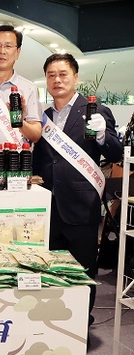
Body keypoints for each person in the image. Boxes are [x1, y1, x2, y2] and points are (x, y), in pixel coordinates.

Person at [34, 53, 122, 329]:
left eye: (63, 74)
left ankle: (81, 325)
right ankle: (52, 325)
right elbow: (42, 158)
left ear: (75, 77)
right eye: (51, 75)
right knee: (50, 270)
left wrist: (102, 136)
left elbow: (116, 153)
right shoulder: (43, 116)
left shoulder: (95, 111)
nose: (57, 80)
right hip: (48, 206)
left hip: (81, 206)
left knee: (82, 271)